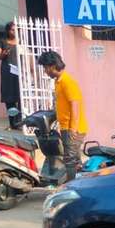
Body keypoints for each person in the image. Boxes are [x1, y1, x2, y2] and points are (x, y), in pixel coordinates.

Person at [37, 50, 88, 183]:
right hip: (66, 127)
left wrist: (72, 129)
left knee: (69, 160)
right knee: (75, 160)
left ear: (53, 66)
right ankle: (81, 184)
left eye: (46, 68)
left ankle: (71, 187)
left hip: (73, 129)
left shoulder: (67, 82)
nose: (45, 71)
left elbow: (74, 106)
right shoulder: (58, 82)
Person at [0, 21, 21, 127]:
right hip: (7, 71)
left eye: (16, 29)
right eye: (12, 29)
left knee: (20, 95)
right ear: (7, 30)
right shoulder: (2, 42)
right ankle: (12, 122)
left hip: (19, 71)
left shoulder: (21, 42)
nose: (14, 31)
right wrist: (3, 54)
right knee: (9, 97)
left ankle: (19, 120)